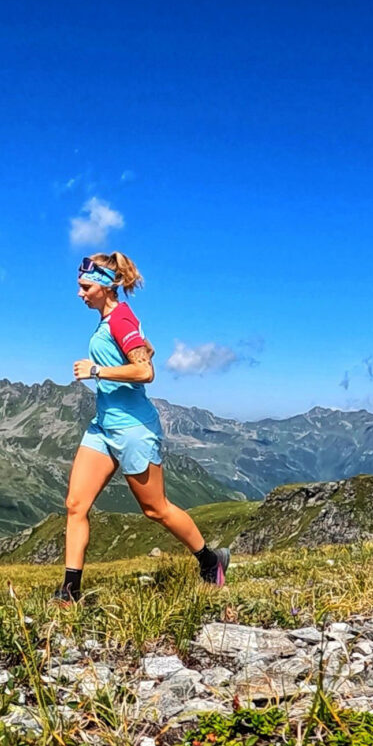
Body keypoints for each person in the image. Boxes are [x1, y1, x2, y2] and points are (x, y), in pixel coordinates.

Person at [54, 252, 229, 602]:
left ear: (104, 286)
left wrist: (96, 371)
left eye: (85, 287)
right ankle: (69, 592)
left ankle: (211, 561)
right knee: (76, 504)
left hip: (133, 429)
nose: (79, 293)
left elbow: (145, 373)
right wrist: (143, 350)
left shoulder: (120, 319)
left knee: (155, 509)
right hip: (104, 426)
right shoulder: (112, 321)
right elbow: (143, 354)